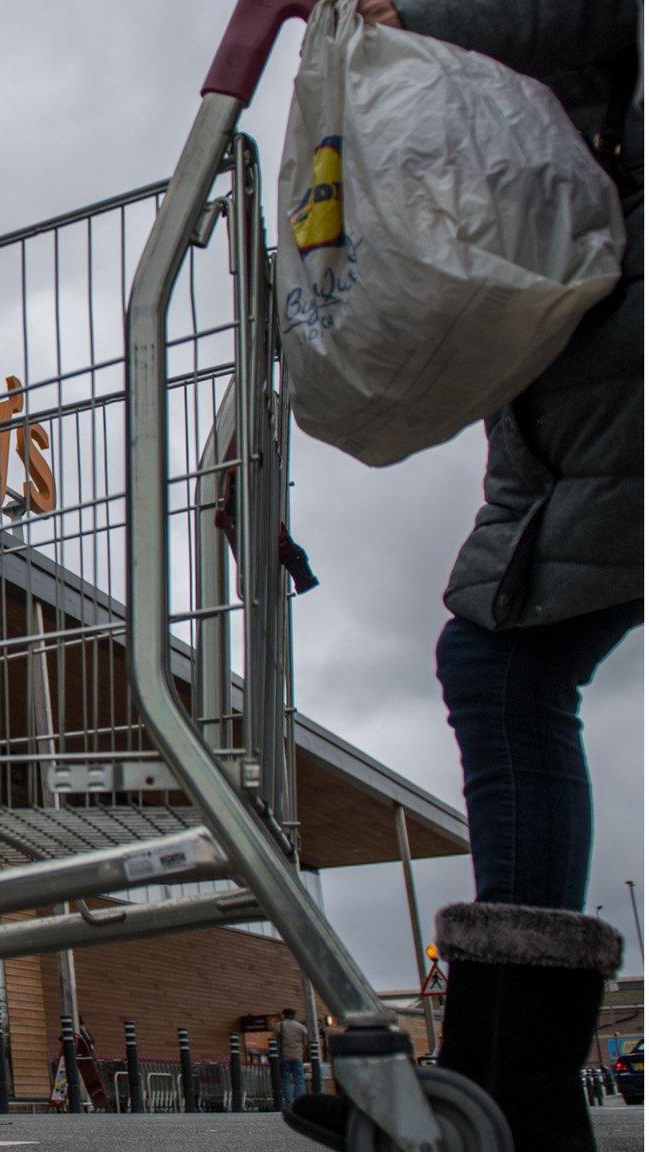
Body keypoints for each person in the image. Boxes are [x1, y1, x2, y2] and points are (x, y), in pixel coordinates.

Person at [286, 3, 639, 1151]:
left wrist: (399, 13)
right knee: (497, 663)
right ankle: (499, 1076)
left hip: (596, 362)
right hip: (570, 373)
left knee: (500, 665)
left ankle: (507, 1080)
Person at [275, 1008, 310, 1113]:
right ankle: (299, 1104)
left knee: (286, 1080)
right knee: (299, 1079)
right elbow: (305, 1043)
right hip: (297, 1057)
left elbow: (274, 1040)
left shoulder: (279, 1025)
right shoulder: (301, 1027)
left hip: (284, 1056)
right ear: (294, 1016)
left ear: (284, 1015)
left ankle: (289, 1104)